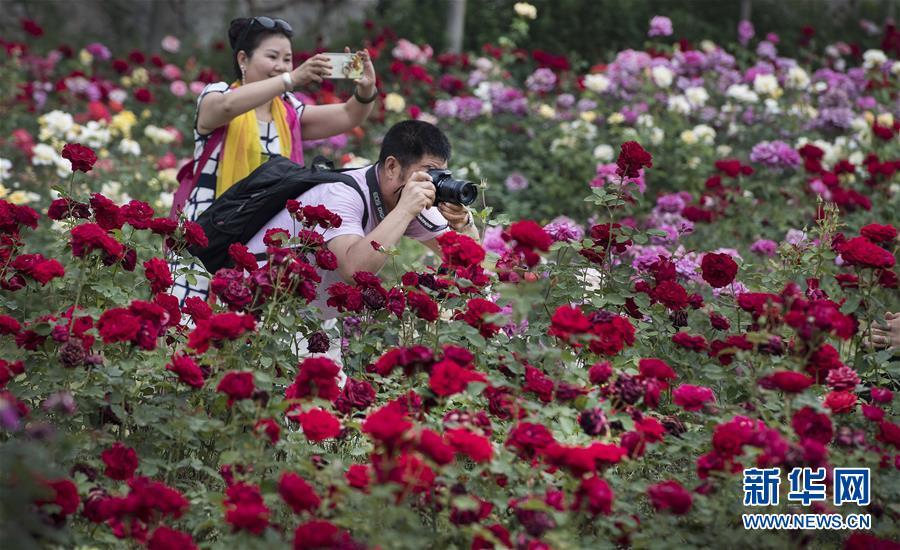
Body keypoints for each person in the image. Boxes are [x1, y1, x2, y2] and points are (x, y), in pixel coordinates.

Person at [171, 16, 378, 305]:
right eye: (273, 57)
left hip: (258, 239)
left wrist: (366, 89)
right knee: (186, 328)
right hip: (205, 233)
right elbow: (227, 106)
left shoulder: (289, 110)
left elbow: (348, 115)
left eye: (288, 59)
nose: (281, 65)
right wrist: (290, 80)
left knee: (242, 336)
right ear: (243, 58)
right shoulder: (217, 95)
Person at [245, 120, 481, 320]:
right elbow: (355, 270)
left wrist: (465, 224)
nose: (434, 182)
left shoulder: (410, 196)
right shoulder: (342, 193)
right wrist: (406, 209)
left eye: (441, 174)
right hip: (255, 305)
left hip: (306, 320)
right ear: (391, 167)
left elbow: (468, 267)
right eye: (429, 172)